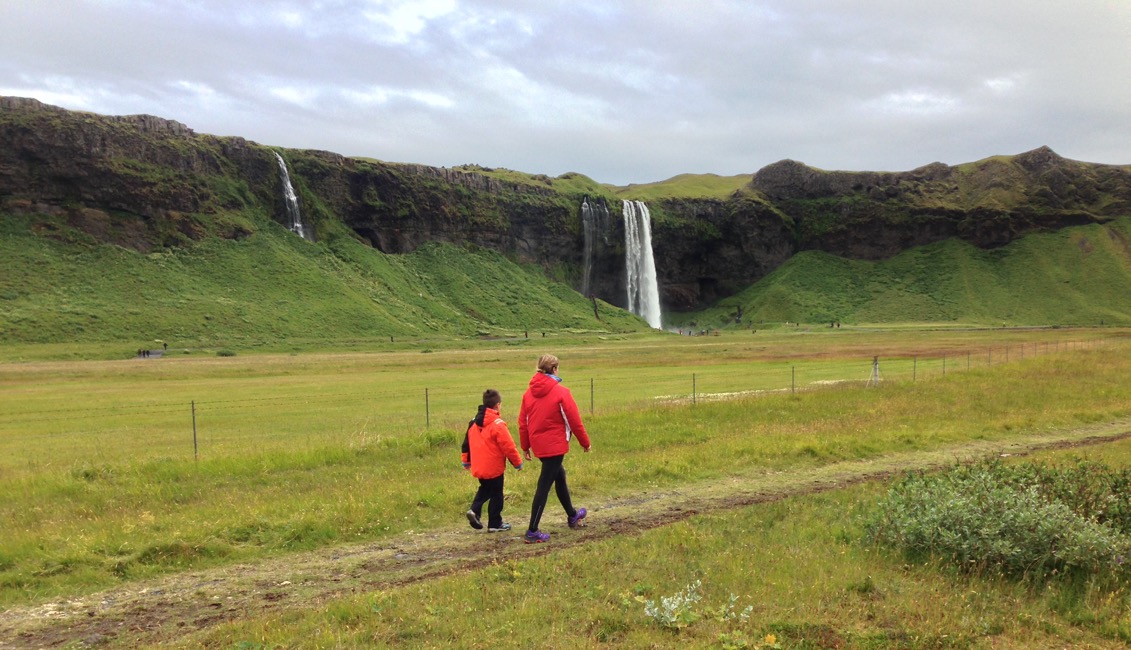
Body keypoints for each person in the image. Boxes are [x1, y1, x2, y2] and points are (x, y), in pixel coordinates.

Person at [518, 354, 592, 543]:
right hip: (555, 445)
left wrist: (525, 446)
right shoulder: (561, 392)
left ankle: (572, 515)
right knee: (544, 485)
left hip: (539, 445)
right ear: (554, 369)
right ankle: (532, 530)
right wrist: (585, 442)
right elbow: (574, 420)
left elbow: (523, 422)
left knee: (560, 476)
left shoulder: (527, 394)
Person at [461, 389, 523, 532]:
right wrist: (517, 463)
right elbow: (509, 446)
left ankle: (474, 511)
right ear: (497, 405)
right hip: (494, 467)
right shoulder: (498, 424)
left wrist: (466, 461)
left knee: (485, 489)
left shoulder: (473, 422)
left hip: (479, 465)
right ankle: (495, 523)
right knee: (496, 494)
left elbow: (466, 444)